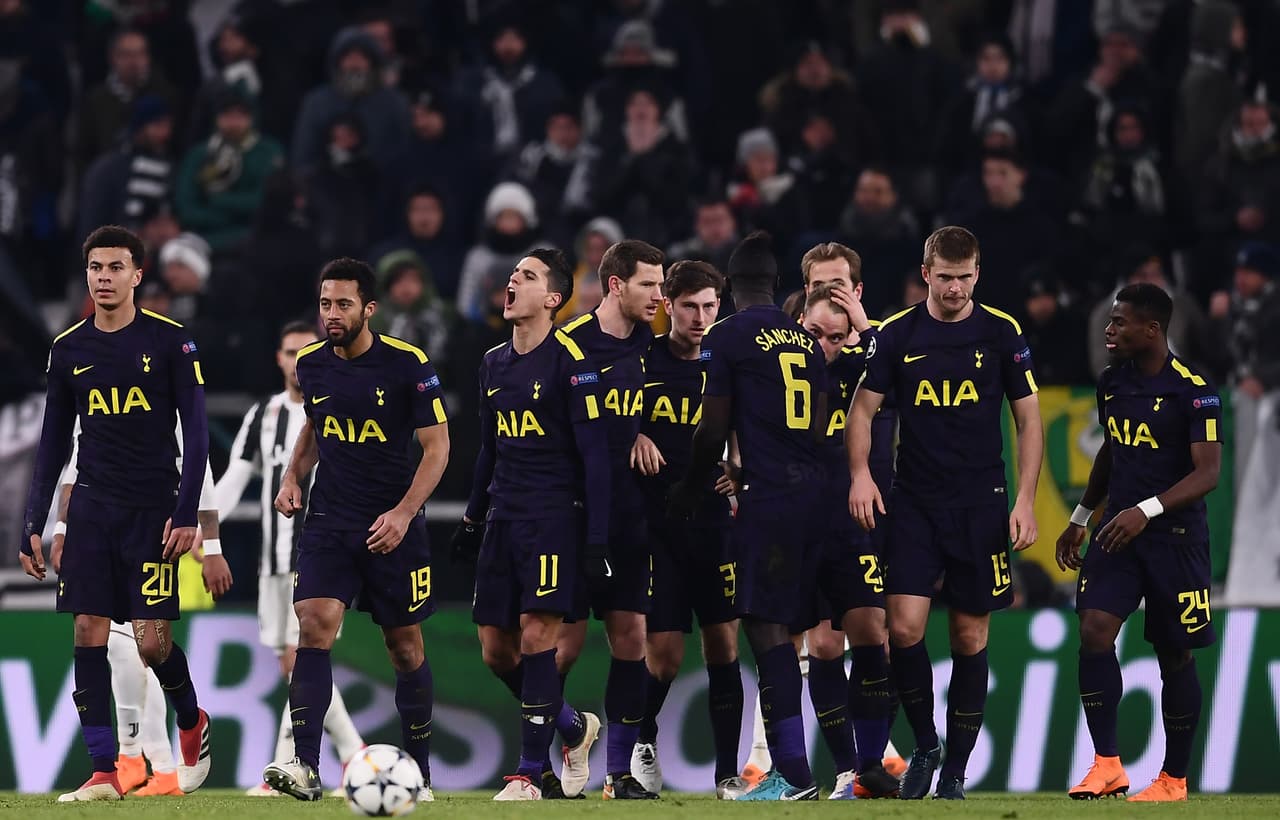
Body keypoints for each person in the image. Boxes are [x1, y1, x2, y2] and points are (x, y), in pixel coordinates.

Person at [847, 226, 1044, 800]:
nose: (955, 288)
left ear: (977, 274)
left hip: (980, 505)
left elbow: (1029, 420)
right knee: (902, 628)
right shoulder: (897, 333)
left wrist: (1025, 500)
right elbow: (862, 412)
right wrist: (860, 474)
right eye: (945, 277)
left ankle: (954, 771)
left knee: (968, 634)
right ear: (926, 272)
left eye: (965, 277)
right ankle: (926, 742)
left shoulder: (1001, 332)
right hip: (913, 502)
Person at [19, 225, 214, 801]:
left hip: (153, 510)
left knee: (152, 645)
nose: (103, 277)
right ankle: (105, 770)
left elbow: (198, 436)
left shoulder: (173, 343)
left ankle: (191, 719)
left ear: (137, 275)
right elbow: (54, 441)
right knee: (88, 628)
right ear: (87, 275)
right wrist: (36, 520)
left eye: (114, 268)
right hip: (94, 510)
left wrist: (186, 514)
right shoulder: (69, 349)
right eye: (95, 268)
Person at [264, 259, 449, 802]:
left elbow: (438, 449)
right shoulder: (311, 363)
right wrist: (292, 475)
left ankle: (420, 772)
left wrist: (403, 512)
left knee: (405, 648)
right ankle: (303, 765)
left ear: (369, 308)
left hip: (393, 522)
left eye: (343, 304)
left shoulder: (407, 364)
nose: (332, 314)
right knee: (313, 624)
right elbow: (315, 427)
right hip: (330, 519)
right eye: (325, 303)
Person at [669, 231, 827, 801]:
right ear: (779, 286)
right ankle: (804, 767)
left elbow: (712, 427)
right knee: (795, 634)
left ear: (730, 288)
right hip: (816, 495)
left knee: (766, 630)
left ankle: (791, 773)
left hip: (771, 500)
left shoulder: (726, 336)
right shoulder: (806, 342)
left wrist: (691, 486)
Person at [451, 249, 607, 800]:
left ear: (553, 299)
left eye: (528, 275)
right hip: (502, 516)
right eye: (514, 273)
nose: (512, 280)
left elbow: (595, 458)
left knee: (539, 636)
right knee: (497, 650)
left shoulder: (573, 362)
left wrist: (595, 538)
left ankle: (526, 772)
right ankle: (571, 726)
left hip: (553, 518)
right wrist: (472, 517)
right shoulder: (493, 362)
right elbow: (490, 448)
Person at [1057, 283, 1223, 803]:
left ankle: (1173, 779)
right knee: (1094, 629)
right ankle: (1107, 764)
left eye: (1119, 322)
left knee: (1174, 655)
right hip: (1117, 533)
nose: (1109, 331)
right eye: (1110, 320)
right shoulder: (1112, 383)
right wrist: (1082, 515)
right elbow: (1111, 450)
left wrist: (1145, 509)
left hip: (1174, 539)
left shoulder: (1194, 390)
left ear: (1152, 330)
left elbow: (1209, 473)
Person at [213, 321, 366, 796]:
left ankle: (293, 765)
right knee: (294, 663)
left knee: (302, 660)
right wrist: (204, 528)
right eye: (288, 351)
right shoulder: (264, 414)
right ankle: (354, 759)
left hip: (322, 554)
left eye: (305, 350)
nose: (296, 359)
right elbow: (235, 478)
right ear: (279, 359)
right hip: (272, 560)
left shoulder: (336, 402)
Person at [52, 417, 229, 798]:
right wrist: (62, 526)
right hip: (98, 522)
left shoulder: (165, 375)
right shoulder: (92, 371)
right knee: (102, 637)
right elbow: (77, 454)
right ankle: (113, 766)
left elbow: (199, 459)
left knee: (150, 645)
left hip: (153, 524)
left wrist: (212, 543)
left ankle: (189, 723)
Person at [625, 261, 746, 800]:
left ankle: (726, 775)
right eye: (691, 306)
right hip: (657, 527)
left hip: (715, 525)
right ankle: (640, 739)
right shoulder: (640, 360)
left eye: (710, 307)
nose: (701, 318)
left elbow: (744, 427)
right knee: (665, 657)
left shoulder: (727, 364)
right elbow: (605, 417)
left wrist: (740, 473)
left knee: (723, 646)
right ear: (668, 306)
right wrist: (633, 434)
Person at [554, 239, 666, 799]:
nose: (659, 295)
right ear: (616, 285)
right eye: (649, 284)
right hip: (573, 517)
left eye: (662, 284)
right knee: (561, 648)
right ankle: (563, 742)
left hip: (630, 515)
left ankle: (618, 774)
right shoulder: (568, 345)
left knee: (631, 637)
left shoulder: (653, 347)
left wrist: (643, 430)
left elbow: (661, 410)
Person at [792, 245, 900, 800]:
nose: (827, 346)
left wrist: (862, 331)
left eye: (841, 287)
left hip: (864, 515)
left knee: (873, 633)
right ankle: (847, 769)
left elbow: (898, 363)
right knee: (824, 647)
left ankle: (872, 761)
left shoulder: (876, 358)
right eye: (816, 334)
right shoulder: (785, 367)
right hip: (805, 520)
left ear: (857, 292)